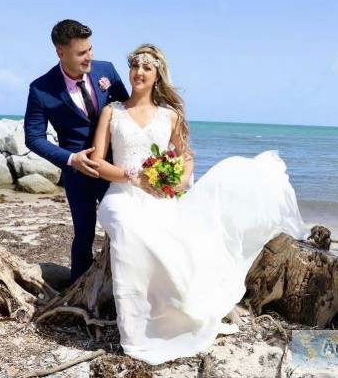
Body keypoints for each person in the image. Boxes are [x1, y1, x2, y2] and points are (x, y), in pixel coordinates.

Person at [89, 44, 310, 364]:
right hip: (121, 196)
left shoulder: (170, 116)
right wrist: (133, 177)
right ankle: (136, 329)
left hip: (160, 199)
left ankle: (178, 317)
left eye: (147, 68)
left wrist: (175, 184)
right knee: (128, 229)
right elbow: (97, 162)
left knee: (178, 241)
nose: (139, 72)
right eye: (135, 66)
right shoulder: (112, 112)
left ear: (157, 75)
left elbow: (186, 158)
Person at [24, 19, 129, 283]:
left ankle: (122, 283)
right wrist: (71, 159)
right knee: (84, 234)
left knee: (124, 227)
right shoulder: (40, 88)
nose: (89, 57)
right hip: (77, 174)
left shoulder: (107, 71)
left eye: (91, 49)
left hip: (116, 168)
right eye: (82, 53)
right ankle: (78, 290)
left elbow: (128, 112)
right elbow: (33, 138)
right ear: (61, 52)